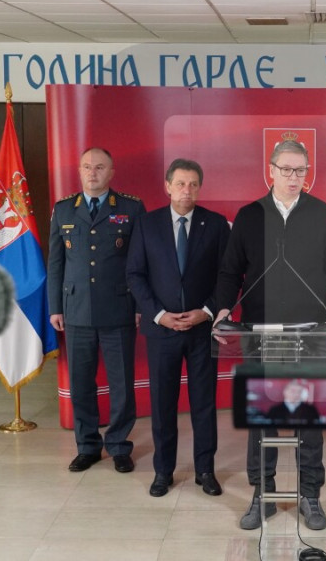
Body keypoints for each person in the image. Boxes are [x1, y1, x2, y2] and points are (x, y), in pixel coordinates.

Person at [214, 139, 326, 531]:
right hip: (260, 331)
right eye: (287, 169)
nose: (294, 177)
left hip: (311, 331)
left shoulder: (322, 213)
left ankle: (310, 494)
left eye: (300, 170)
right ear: (270, 170)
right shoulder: (249, 216)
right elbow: (230, 271)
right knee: (263, 415)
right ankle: (263, 493)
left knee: (309, 415)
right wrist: (223, 309)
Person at [125, 159, 229, 497]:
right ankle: (163, 471)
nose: (187, 190)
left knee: (204, 404)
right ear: (167, 186)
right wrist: (159, 315)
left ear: (200, 188)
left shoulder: (215, 225)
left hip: (202, 330)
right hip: (162, 330)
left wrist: (207, 311)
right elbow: (135, 274)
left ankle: (205, 470)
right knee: (162, 405)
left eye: (193, 184)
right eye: (181, 183)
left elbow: (228, 276)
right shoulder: (147, 224)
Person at [47, 147, 145, 474]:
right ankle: (87, 446)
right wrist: (55, 307)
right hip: (75, 310)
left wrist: (139, 304)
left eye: (100, 167)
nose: (93, 173)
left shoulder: (131, 208)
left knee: (121, 384)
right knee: (81, 384)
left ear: (111, 172)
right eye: (87, 167)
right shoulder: (63, 209)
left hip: (119, 308)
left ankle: (118, 446)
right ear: (79, 171)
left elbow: (140, 261)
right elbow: (56, 262)